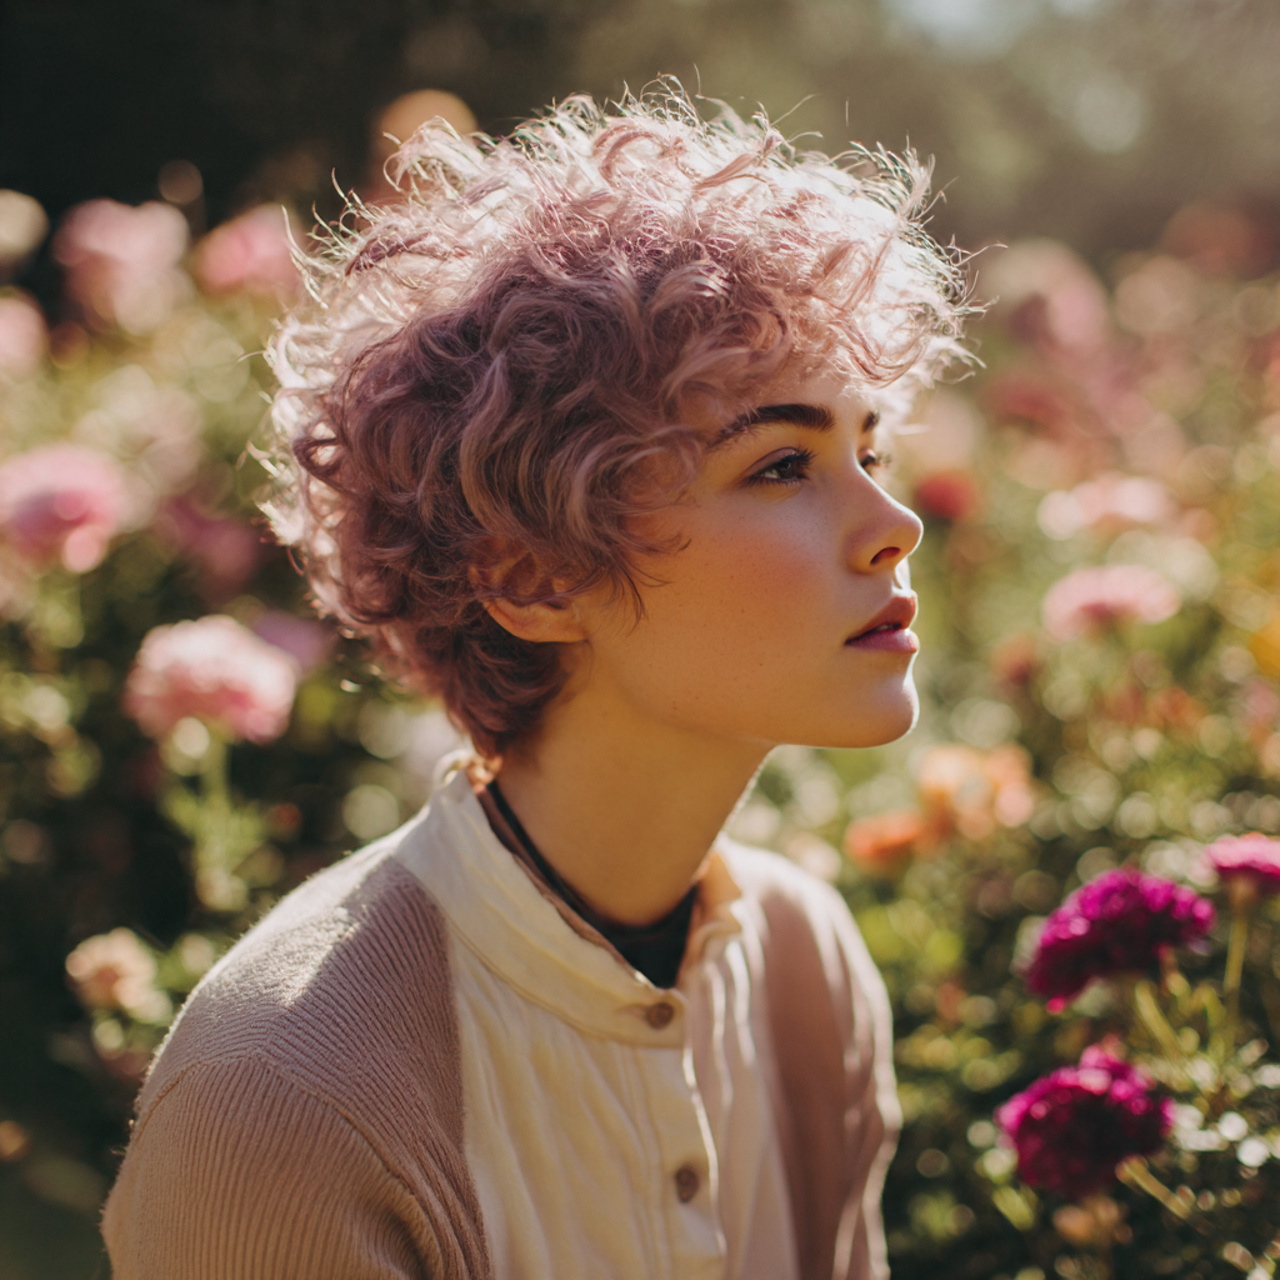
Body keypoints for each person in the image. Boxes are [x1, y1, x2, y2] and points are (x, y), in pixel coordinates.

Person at [102, 85, 969, 1279]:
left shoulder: (804, 968)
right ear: (532, 574)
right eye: (780, 464)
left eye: (865, 449)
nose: (894, 523)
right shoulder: (287, 1096)